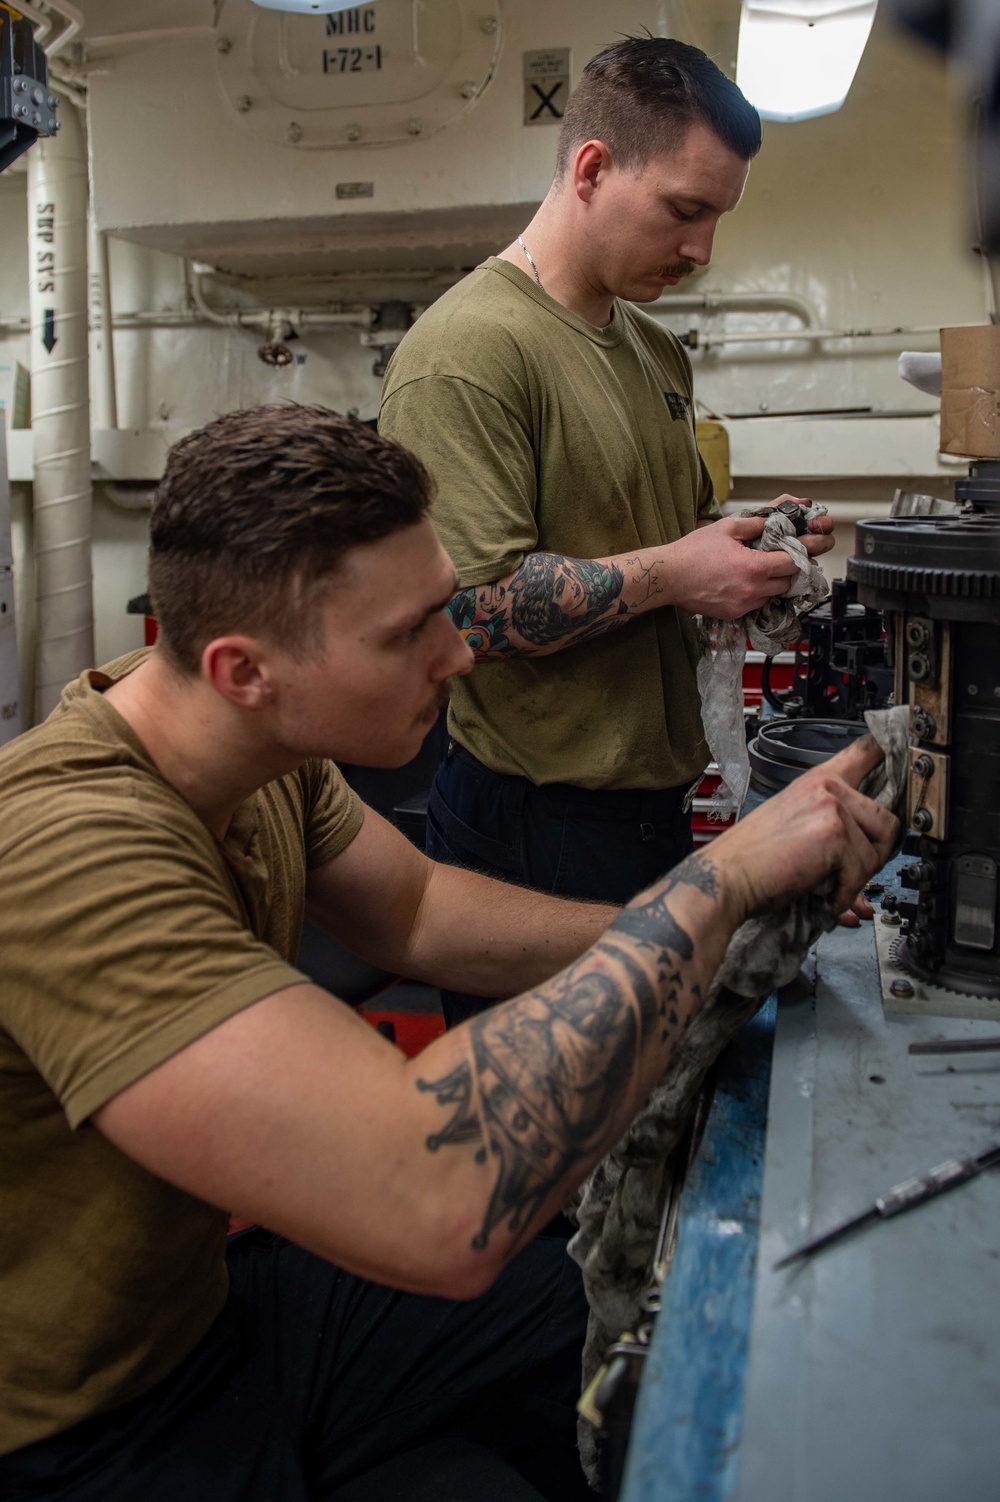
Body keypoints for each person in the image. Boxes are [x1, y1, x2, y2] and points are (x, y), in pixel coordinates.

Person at [0, 405, 897, 1502]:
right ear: (244, 669)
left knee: (629, 1325)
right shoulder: (69, 850)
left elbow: (417, 909)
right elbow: (432, 1198)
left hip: (215, 1314)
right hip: (79, 1430)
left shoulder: (259, 747)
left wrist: (714, 924)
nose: (460, 651)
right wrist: (716, 889)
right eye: (408, 631)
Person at [378, 37, 839, 1028]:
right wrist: (677, 572)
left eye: (717, 215)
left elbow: (653, 540)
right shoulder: (467, 352)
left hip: (649, 811)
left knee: (637, 1123)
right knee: (545, 1150)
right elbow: (464, 614)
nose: (703, 248)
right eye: (685, 209)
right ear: (591, 167)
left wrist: (745, 545)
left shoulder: (652, 348)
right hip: (535, 828)